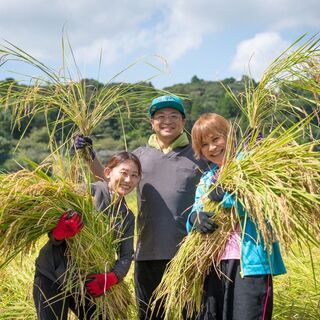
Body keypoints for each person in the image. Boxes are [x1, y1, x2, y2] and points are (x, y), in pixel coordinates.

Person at [75, 95, 208, 320]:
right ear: (152, 123)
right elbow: (110, 180)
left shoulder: (199, 156)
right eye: (160, 117)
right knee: (149, 316)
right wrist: (88, 155)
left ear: (184, 121)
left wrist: (253, 146)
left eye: (174, 116)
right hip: (148, 253)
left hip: (190, 255)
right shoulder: (140, 155)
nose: (167, 121)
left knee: (194, 315)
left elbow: (226, 172)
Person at [186, 113, 286, 320]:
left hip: (249, 264)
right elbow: (196, 208)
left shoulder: (251, 166)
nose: (212, 148)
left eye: (216, 139)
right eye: (205, 145)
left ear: (229, 136)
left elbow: (265, 205)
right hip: (214, 265)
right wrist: (194, 219)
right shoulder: (206, 179)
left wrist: (228, 198)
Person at [33, 151, 141, 320]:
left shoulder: (127, 216)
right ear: (107, 173)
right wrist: (59, 232)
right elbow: (50, 222)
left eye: (134, 175)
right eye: (124, 173)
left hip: (87, 282)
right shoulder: (87, 192)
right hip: (52, 273)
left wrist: (111, 278)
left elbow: (126, 256)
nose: (128, 180)